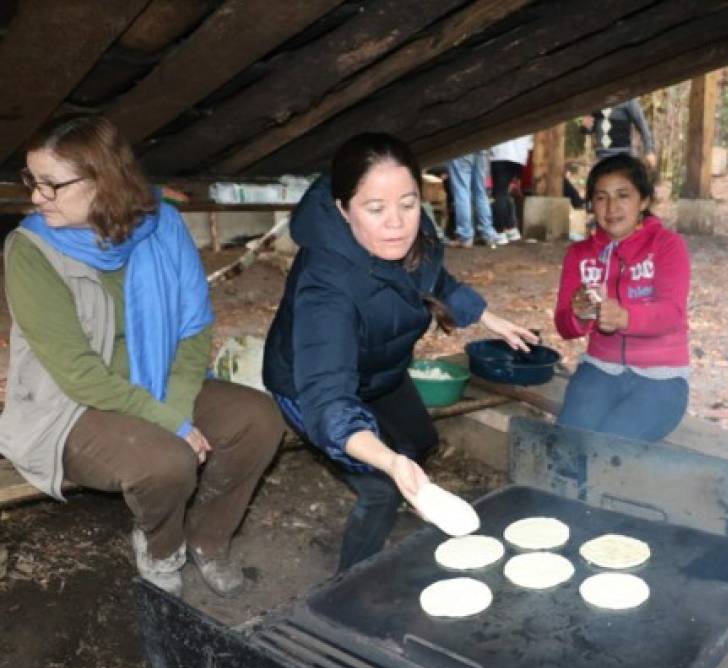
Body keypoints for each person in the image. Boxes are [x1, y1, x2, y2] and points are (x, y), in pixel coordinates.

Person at [0, 114, 284, 597]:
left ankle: (208, 538)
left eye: (51, 185)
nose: (35, 197)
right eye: (32, 180)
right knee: (166, 461)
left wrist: (173, 408)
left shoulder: (162, 226)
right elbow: (77, 373)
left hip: (154, 381)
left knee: (259, 418)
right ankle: (161, 546)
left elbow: (194, 330)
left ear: (103, 180)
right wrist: (171, 424)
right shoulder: (30, 251)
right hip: (70, 405)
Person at [262, 133, 536, 571]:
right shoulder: (325, 284)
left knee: (421, 441)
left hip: (378, 369)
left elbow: (431, 274)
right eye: (376, 209)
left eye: (407, 204)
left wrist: (486, 316)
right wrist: (389, 462)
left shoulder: (411, 231)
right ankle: (350, 582)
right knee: (381, 488)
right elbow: (329, 400)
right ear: (342, 208)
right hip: (310, 385)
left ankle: (406, 493)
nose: (397, 223)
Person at [554, 153, 690, 441]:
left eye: (623, 195)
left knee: (611, 446)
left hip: (661, 378)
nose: (612, 207)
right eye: (601, 198)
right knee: (568, 441)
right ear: (591, 204)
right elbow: (564, 326)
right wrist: (578, 314)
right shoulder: (579, 255)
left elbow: (672, 314)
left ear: (643, 201)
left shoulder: (667, 245)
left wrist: (625, 317)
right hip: (600, 370)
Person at [446, 150, 508, 247]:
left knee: (462, 189)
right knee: (480, 191)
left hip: (461, 146)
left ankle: (465, 236)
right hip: (480, 146)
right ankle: (488, 234)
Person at [581, 99, 658, 170]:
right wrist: (586, 127)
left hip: (622, 155)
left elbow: (643, 127)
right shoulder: (596, 100)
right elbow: (589, 129)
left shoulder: (628, 100)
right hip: (601, 156)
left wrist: (649, 151)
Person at [489, 135, 532, 242]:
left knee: (499, 192)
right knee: (505, 192)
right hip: (519, 155)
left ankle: (499, 231)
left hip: (501, 154)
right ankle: (510, 228)